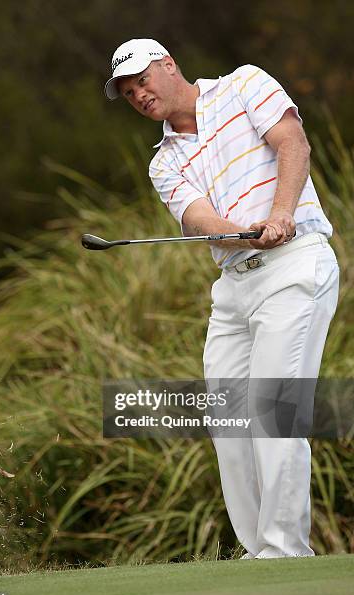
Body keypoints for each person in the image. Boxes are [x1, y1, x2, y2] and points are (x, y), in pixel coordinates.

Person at [104, 39, 339, 559]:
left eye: (142, 80)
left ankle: (284, 554)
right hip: (234, 287)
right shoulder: (162, 163)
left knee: (273, 412)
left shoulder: (243, 84)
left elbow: (293, 144)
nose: (138, 95)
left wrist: (280, 216)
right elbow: (199, 221)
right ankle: (260, 557)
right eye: (127, 92)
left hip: (296, 264)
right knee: (228, 425)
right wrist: (242, 233)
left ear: (169, 65)